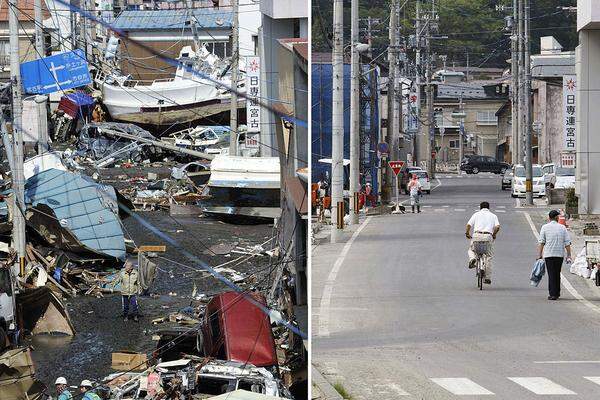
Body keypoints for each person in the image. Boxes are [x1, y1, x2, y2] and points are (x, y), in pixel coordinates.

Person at [538, 210, 572, 300]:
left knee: (551, 274)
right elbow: (567, 243)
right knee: (557, 273)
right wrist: (569, 255)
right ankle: (557, 293)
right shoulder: (563, 228)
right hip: (559, 254)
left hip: (548, 254)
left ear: (549, 218)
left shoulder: (544, 227)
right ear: (557, 218)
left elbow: (542, 242)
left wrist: (540, 254)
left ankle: (553, 294)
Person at [466, 202, 500, 284]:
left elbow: (468, 225)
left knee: (471, 250)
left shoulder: (476, 214)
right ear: (489, 208)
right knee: (489, 256)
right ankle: (487, 277)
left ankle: (472, 259)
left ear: (480, 207)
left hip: (477, 235)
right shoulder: (493, 216)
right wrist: (494, 234)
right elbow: (497, 226)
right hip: (488, 237)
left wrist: (467, 233)